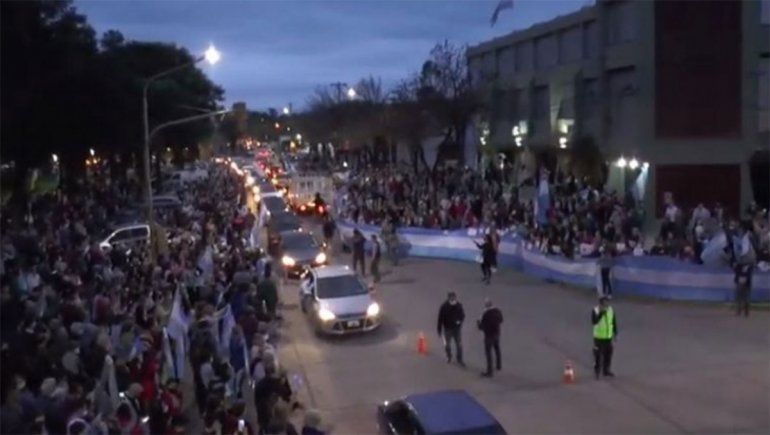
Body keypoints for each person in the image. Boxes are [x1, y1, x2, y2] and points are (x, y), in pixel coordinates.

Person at [591, 296, 617, 379]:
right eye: (606, 302)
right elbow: (594, 322)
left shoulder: (610, 310)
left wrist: (615, 333)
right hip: (598, 337)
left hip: (608, 337)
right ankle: (597, 372)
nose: (608, 304)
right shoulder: (595, 310)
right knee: (598, 356)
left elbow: (613, 322)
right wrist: (601, 313)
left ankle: (606, 371)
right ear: (601, 303)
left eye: (608, 302)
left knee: (608, 355)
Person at [437, 292, 465, 366]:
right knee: (447, 345)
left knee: (459, 344)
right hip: (447, 329)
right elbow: (440, 318)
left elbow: (462, 316)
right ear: (448, 298)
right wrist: (439, 329)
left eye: (454, 297)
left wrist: (459, 321)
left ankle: (460, 359)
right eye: (451, 297)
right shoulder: (444, 307)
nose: (453, 299)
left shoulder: (459, 305)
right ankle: (449, 356)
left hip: (456, 329)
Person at [477, 298, 503, 377]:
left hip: (489, 336)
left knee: (488, 353)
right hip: (497, 334)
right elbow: (501, 320)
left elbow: (482, 327)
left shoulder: (485, 314)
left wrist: (478, 323)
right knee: (497, 349)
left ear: (486, 305)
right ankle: (499, 365)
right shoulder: (498, 311)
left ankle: (489, 371)